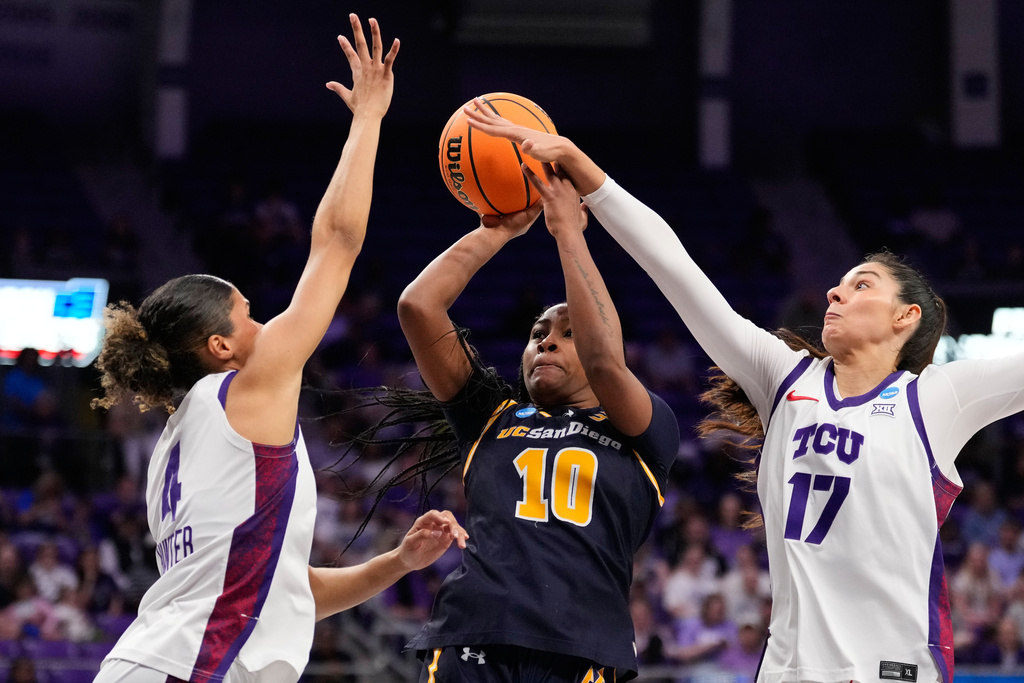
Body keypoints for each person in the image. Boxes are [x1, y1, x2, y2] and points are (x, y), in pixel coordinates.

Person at [463, 101, 1024, 683]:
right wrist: (584, 169)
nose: (833, 294)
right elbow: (674, 268)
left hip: (896, 669)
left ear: (906, 317)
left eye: (860, 285)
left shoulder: (938, 398)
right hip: (788, 669)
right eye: (835, 285)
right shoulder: (783, 378)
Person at [87, 16, 466, 683]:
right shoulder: (247, 384)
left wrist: (398, 562)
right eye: (249, 314)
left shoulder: (170, 452)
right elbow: (337, 244)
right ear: (220, 345)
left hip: (154, 661)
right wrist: (369, 119)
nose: (267, 326)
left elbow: (281, 593)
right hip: (192, 669)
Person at [394, 148, 679, 680]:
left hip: (583, 645)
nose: (547, 343)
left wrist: (568, 229)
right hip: (476, 633)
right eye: (536, 334)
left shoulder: (646, 427)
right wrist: (499, 229)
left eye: (566, 333)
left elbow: (603, 362)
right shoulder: (492, 416)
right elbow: (418, 307)